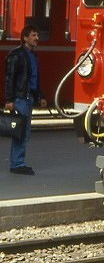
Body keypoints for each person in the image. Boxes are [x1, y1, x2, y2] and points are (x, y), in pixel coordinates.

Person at [4, 25, 47, 175]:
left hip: (28, 98)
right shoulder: (16, 55)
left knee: (24, 132)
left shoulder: (33, 56)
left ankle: (18, 162)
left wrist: (40, 96)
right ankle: (17, 164)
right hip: (20, 99)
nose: (37, 38)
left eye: (37, 35)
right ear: (25, 38)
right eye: (34, 35)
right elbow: (10, 78)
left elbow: (34, 80)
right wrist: (9, 99)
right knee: (20, 132)